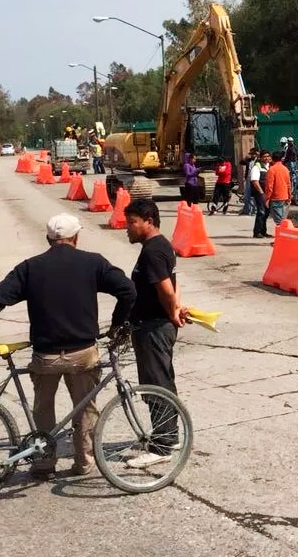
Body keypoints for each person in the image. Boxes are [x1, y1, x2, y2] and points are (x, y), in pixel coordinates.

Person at [0, 214, 137, 480]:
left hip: (46, 356)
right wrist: (117, 325)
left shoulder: (30, 267)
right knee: (85, 409)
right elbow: (128, 291)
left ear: (49, 239)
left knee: (42, 408)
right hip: (83, 354)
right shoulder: (92, 263)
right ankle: (84, 464)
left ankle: (42, 464)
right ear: (76, 237)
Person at [124, 199, 188, 468]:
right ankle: (168, 435)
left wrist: (173, 311)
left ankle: (162, 445)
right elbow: (172, 283)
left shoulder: (153, 251)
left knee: (155, 384)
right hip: (155, 324)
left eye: (132, 222)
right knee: (163, 381)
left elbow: (165, 288)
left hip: (153, 327)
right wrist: (175, 309)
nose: (127, 228)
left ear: (148, 221)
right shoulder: (160, 247)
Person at [265, 150, 292, 225]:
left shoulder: (272, 170)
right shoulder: (285, 169)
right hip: (284, 197)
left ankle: (282, 234)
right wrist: (289, 196)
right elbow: (289, 184)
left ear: (272, 159)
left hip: (275, 197)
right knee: (282, 218)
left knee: (278, 221)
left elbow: (270, 186)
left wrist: (267, 198)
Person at [250, 149, 272, 238]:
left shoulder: (269, 166)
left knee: (266, 212)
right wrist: (261, 192)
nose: (266, 158)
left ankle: (263, 231)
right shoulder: (257, 167)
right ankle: (257, 232)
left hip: (267, 193)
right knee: (261, 212)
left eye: (268, 156)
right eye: (264, 156)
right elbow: (255, 181)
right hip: (260, 193)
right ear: (261, 157)